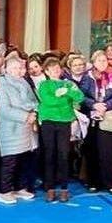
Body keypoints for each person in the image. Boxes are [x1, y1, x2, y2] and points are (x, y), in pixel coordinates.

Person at [36, 57, 82, 202]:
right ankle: (49, 188)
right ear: (47, 71)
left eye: (58, 68)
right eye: (52, 69)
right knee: (49, 154)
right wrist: (62, 96)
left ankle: (64, 188)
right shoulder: (44, 85)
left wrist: (66, 92)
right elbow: (48, 101)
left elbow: (79, 97)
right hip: (49, 122)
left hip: (64, 122)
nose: (56, 71)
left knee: (64, 155)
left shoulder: (68, 83)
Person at [80, 49, 112, 194]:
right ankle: (93, 182)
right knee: (92, 151)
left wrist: (105, 106)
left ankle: (110, 183)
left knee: (108, 151)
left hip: (108, 117)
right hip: (91, 117)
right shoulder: (87, 77)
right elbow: (81, 96)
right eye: (99, 60)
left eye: (104, 60)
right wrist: (94, 105)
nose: (102, 63)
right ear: (93, 62)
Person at [0, 55, 38, 204]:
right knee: (10, 161)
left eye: (20, 68)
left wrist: (34, 112)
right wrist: (25, 115)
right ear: (6, 69)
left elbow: (34, 101)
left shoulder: (24, 83)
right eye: (14, 68)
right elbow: (5, 109)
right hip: (11, 129)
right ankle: (5, 191)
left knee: (24, 160)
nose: (18, 71)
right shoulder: (3, 86)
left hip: (26, 129)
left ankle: (21, 188)